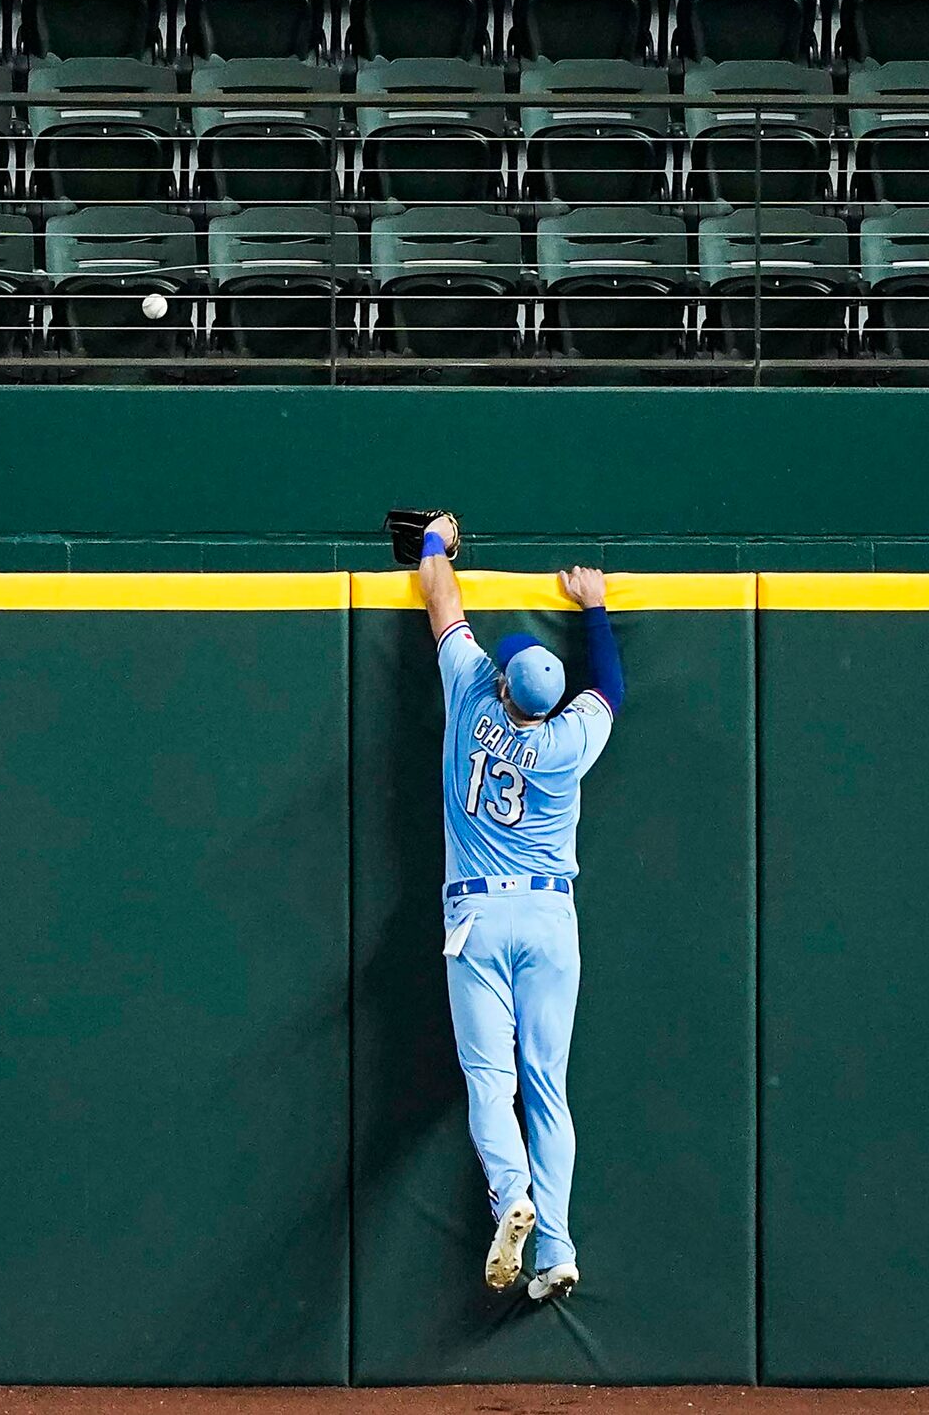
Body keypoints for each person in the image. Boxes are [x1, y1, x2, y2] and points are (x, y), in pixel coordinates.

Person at [416, 515, 624, 1303]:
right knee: (547, 1087)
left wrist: (436, 545)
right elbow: (609, 687)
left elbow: (443, 605)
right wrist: (593, 606)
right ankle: (559, 1249)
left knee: (487, 1082)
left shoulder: (472, 694)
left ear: (504, 687)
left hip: (476, 922)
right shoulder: (569, 739)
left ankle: (513, 1201)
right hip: (547, 923)